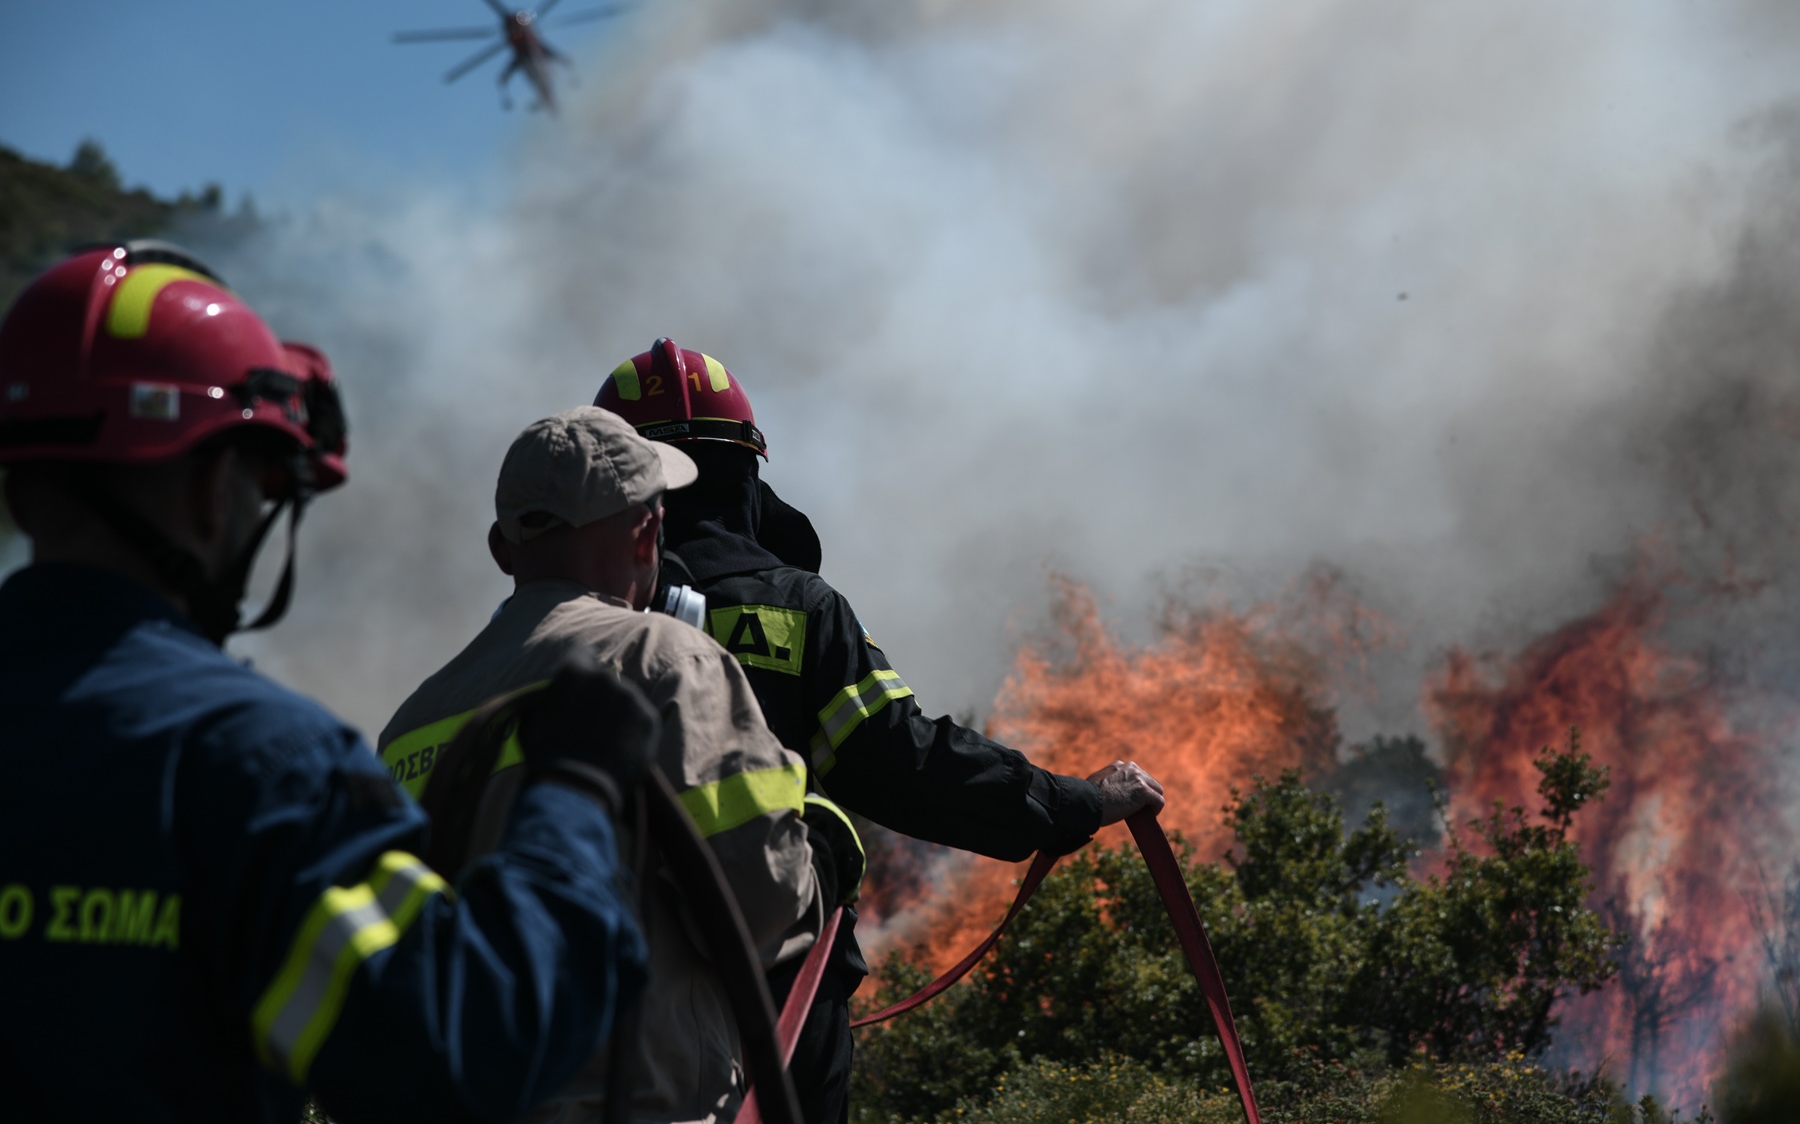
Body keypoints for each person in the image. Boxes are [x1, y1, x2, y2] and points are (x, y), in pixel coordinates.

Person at [0, 242, 658, 1124]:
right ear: (213, 489)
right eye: (267, 481)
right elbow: (467, 1045)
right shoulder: (253, 768)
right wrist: (573, 789)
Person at [595, 338, 1168, 1124]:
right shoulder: (796, 609)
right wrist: (1071, 802)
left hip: (604, 982)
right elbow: (901, 760)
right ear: (748, 475)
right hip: (782, 979)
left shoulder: (566, 628)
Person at [378, 405, 851, 1124]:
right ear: (647, 531)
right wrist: (822, 852)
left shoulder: (411, 723)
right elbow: (758, 913)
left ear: (502, 549)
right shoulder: (663, 659)